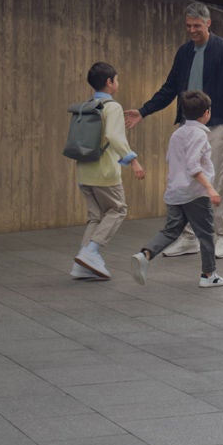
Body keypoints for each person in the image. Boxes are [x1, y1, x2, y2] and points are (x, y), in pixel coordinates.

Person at [125, 1, 223, 260]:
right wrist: (144, 111)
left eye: (197, 25)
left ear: (208, 23)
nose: (192, 30)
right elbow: (169, 88)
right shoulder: (184, 52)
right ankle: (188, 238)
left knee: (215, 182)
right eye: (188, 26)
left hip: (215, 125)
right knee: (186, 182)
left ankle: (222, 236)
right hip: (187, 127)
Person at [131, 89, 223, 289]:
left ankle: (145, 254)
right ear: (207, 113)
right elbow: (193, 166)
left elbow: (171, 159)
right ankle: (208, 275)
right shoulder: (199, 135)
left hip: (174, 193)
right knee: (206, 234)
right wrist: (210, 189)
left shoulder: (177, 134)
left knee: (171, 231)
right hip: (195, 194)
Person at [72, 61, 145, 281]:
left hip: (84, 170)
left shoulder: (87, 105)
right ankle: (91, 252)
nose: (117, 83)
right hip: (104, 172)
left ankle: (82, 264)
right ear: (109, 82)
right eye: (117, 79)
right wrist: (133, 161)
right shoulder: (112, 107)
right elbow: (114, 136)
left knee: (95, 217)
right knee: (118, 209)